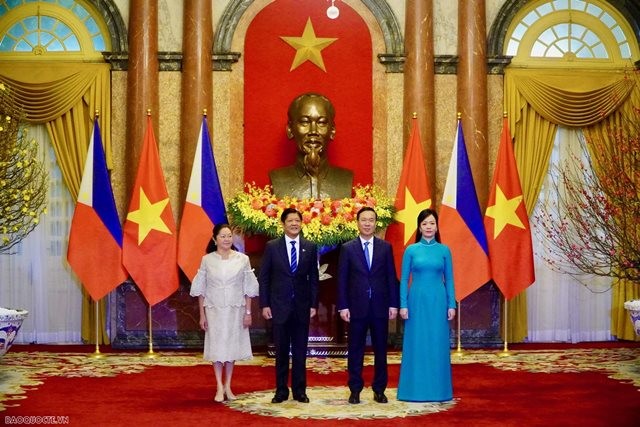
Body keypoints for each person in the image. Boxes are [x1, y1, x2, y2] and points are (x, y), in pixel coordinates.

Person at [189, 223, 259, 403]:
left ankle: (228, 384)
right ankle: (219, 386)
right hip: (214, 310)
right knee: (218, 348)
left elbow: (248, 288)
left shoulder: (242, 259)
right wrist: (202, 315)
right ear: (215, 239)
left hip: (236, 310)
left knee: (231, 347)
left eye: (229, 236)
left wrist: (248, 312)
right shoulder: (207, 260)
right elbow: (201, 290)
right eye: (223, 236)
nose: (227, 239)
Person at [337, 206, 399, 404]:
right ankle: (355, 389)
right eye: (363, 220)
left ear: (375, 223)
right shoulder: (347, 248)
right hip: (356, 308)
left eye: (371, 220)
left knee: (381, 350)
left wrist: (393, 304)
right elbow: (342, 280)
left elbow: (391, 277)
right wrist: (343, 306)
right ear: (357, 223)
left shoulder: (385, 247)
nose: (367, 223)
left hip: (380, 307)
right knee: (356, 349)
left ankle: (379, 389)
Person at [258, 207, 319, 403]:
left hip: (302, 307)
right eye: (290, 221)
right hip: (279, 307)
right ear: (283, 224)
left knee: (300, 352)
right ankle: (281, 390)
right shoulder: (272, 247)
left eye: (297, 221)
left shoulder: (309, 247)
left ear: (302, 223)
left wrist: (313, 304)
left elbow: (314, 279)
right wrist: (265, 304)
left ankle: (300, 391)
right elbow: (265, 278)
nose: (294, 224)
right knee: (281, 351)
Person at [397, 208, 456, 402]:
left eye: (432, 223)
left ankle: (439, 390)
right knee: (417, 343)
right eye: (424, 224)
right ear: (419, 227)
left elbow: (450, 279)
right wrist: (403, 304)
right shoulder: (411, 250)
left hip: (438, 302)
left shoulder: (444, 250)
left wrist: (451, 304)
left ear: (437, 226)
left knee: (437, 343)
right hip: (416, 302)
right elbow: (404, 279)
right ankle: (412, 390)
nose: (428, 227)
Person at [269, 92, 353, 199]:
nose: (313, 131)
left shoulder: (345, 179)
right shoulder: (278, 179)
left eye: (321, 122)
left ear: (332, 130)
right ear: (290, 129)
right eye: (305, 122)